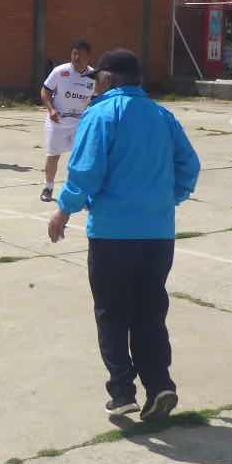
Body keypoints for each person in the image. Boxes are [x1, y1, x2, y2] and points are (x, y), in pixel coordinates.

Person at [47, 49, 201, 422]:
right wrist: (167, 199)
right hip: (158, 234)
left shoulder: (101, 115)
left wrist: (64, 209)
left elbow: (86, 171)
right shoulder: (163, 116)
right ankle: (159, 384)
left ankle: (122, 391)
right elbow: (189, 166)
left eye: (97, 79)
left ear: (109, 79)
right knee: (150, 311)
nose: (93, 85)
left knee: (112, 313)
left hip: (113, 235)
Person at [40, 39, 96, 203]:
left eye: (81, 54)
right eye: (74, 53)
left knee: (81, 157)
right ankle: (48, 187)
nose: (76, 57)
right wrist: (51, 109)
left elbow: (97, 98)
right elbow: (45, 91)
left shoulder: (94, 76)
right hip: (58, 121)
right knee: (53, 155)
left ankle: (79, 190)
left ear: (88, 57)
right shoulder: (60, 71)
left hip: (80, 122)